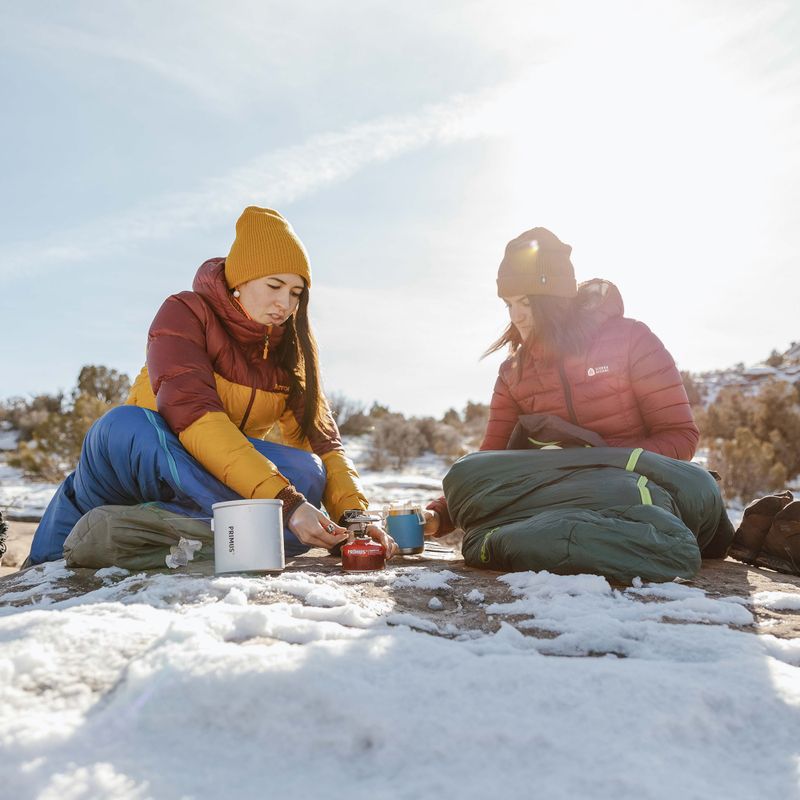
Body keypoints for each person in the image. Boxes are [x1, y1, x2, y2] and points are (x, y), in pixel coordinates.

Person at [29, 206, 396, 564]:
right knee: (129, 422)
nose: (285, 303)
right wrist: (285, 503)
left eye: (296, 293)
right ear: (240, 282)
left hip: (200, 480)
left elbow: (324, 444)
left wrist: (354, 519)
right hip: (132, 458)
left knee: (309, 471)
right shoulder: (186, 312)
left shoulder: (289, 356)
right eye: (274, 285)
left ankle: (146, 527)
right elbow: (194, 417)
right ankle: (246, 528)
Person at [424, 226, 700, 538]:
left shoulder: (631, 341)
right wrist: (437, 515)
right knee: (470, 472)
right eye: (508, 304)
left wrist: (598, 459)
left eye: (526, 303)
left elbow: (681, 437)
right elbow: (491, 463)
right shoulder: (512, 373)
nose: (516, 316)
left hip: (636, 496)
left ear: (554, 299)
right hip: (558, 502)